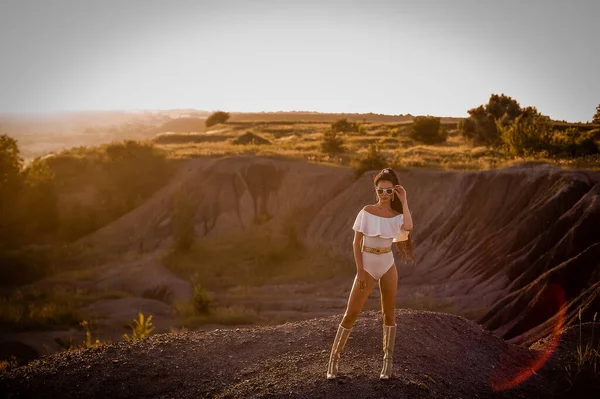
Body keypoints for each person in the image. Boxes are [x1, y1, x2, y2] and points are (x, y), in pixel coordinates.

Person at [326, 167, 414, 380]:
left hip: (388, 265)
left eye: (389, 191)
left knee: (389, 314)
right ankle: (333, 361)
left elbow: (408, 227)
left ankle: (387, 363)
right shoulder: (366, 211)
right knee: (351, 313)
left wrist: (404, 201)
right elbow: (356, 243)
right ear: (375, 190)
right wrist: (361, 271)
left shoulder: (396, 216)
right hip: (366, 265)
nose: (385, 195)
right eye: (381, 191)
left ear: (394, 191)